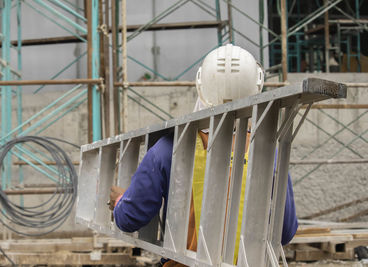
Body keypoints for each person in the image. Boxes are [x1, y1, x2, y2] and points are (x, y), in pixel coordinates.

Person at [109, 44, 298, 266]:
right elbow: (284, 232)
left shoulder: (169, 148)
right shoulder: (268, 153)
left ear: (201, 85)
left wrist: (120, 201)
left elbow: (130, 218)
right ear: (256, 88)